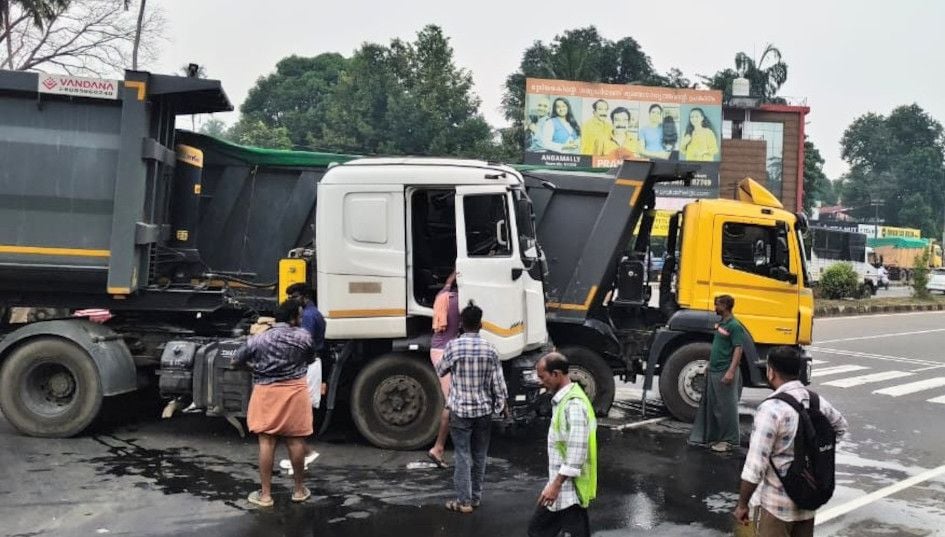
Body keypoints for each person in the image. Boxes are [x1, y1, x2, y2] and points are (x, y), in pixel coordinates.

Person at [734, 346, 847, 536]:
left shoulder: (771, 410)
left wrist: (742, 505)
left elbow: (755, 466)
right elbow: (840, 426)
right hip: (807, 502)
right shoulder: (815, 401)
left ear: (771, 372)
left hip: (775, 507)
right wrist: (814, 454)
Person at [231, 299, 316, 507]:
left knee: (267, 442)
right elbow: (311, 359)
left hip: (266, 392)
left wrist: (255, 370)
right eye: (300, 315)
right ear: (293, 317)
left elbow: (235, 361)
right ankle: (298, 490)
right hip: (295, 391)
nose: (302, 318)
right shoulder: (304, 337)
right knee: (296, 441)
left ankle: (266, 495)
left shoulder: (259, 339)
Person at [435, 302, 509, 513]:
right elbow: (498, 383)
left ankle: (463, 501)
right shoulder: (491, 349)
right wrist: (502, 404)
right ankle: (475, 498)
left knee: (462, 455)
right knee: (479, 455)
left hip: (460, 411)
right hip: (484, 411)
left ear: (461, 324)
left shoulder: (454, 347)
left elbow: (441, 370)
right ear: (481, 324)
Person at [528, 352, 597, 537]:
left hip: (569, 491)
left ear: (556, 374)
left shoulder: (573, 405)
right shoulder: (564, 401)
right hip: (561, 489)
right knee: (537, 531)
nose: (541, 382)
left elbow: (576, 455)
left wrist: (555, 486)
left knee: (538, 531)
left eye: (543, 377)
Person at [279, 283, 326, 475]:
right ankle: (302, 454)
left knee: (297, 411)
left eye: (294, 296)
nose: (292, 300)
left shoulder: (307, 316)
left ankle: (302, 455)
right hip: (313, 362)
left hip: (307, 365)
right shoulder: (315, 313)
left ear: (305, 296)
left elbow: (302, 342)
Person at [689, 294, 745, 452]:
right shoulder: (722, 323)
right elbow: (718, 347)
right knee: (714, 406)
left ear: (726, 306)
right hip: (714, 369)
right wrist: (709, 366)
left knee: (726, 407)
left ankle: (730, 441)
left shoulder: (735, 326)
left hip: (724, 371)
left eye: (718, 305)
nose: (715, 308)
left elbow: (738, 349)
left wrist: (731, 371)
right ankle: (715, 437)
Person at [428, 272, 461, 468]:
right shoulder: (460, 302)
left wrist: (452, 274)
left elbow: (449, 281)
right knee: (451, 402)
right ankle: (438, 448)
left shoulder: (443, 295)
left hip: (437, 349)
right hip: (446, 352)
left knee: (454, 401)